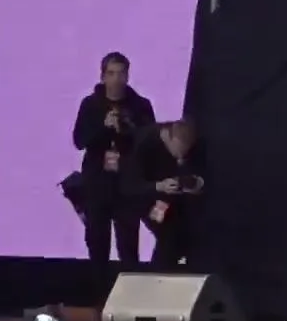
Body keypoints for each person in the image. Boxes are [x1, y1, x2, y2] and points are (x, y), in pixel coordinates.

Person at [71, 52, 155, 269]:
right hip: (97, 184)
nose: (116, 79)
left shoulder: (141, 106)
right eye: (111, 73)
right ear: (102, 77)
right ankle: (99, 289)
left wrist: (127, 128)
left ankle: (130, 288)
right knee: (97, 244)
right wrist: (103, 126)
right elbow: (79, 141)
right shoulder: (90, 105)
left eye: (121, 73)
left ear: (128, 76)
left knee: (128, 247)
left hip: (127, 185)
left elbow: (150, 144)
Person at [125, 119, 206, 270]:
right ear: (169, 138)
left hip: (170, 200)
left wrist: (193, 184)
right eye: (178, 152)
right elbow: (130, 185)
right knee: (167, 236)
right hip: (143, 198)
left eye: (184, 153)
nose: (180, 158)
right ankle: (158, 273)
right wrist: (159, 186)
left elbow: (198, 177)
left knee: (182, 233)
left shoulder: (189, 148)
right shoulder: (144, 144)